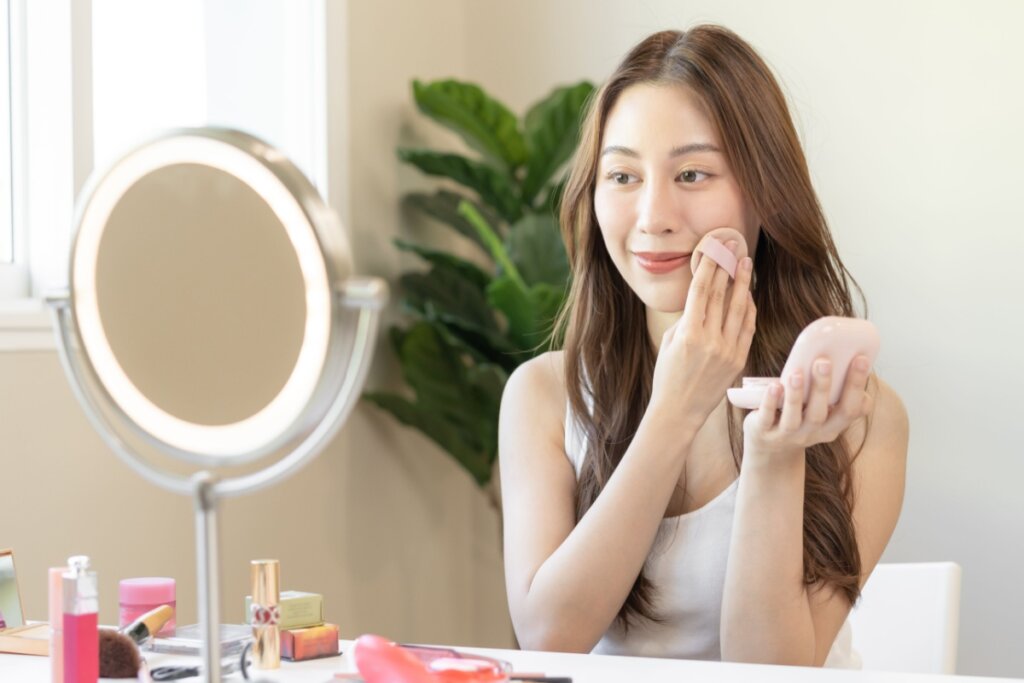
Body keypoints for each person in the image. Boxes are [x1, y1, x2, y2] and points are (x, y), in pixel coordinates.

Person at [498, 25, 908, 668]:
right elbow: (550, 637)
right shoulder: (543, 395)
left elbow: (771, 672)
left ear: (765, 191)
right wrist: (676, 409)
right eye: (623, 175)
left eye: (692, 173)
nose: (653, 215)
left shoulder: (857, 413)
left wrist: (774, 456)